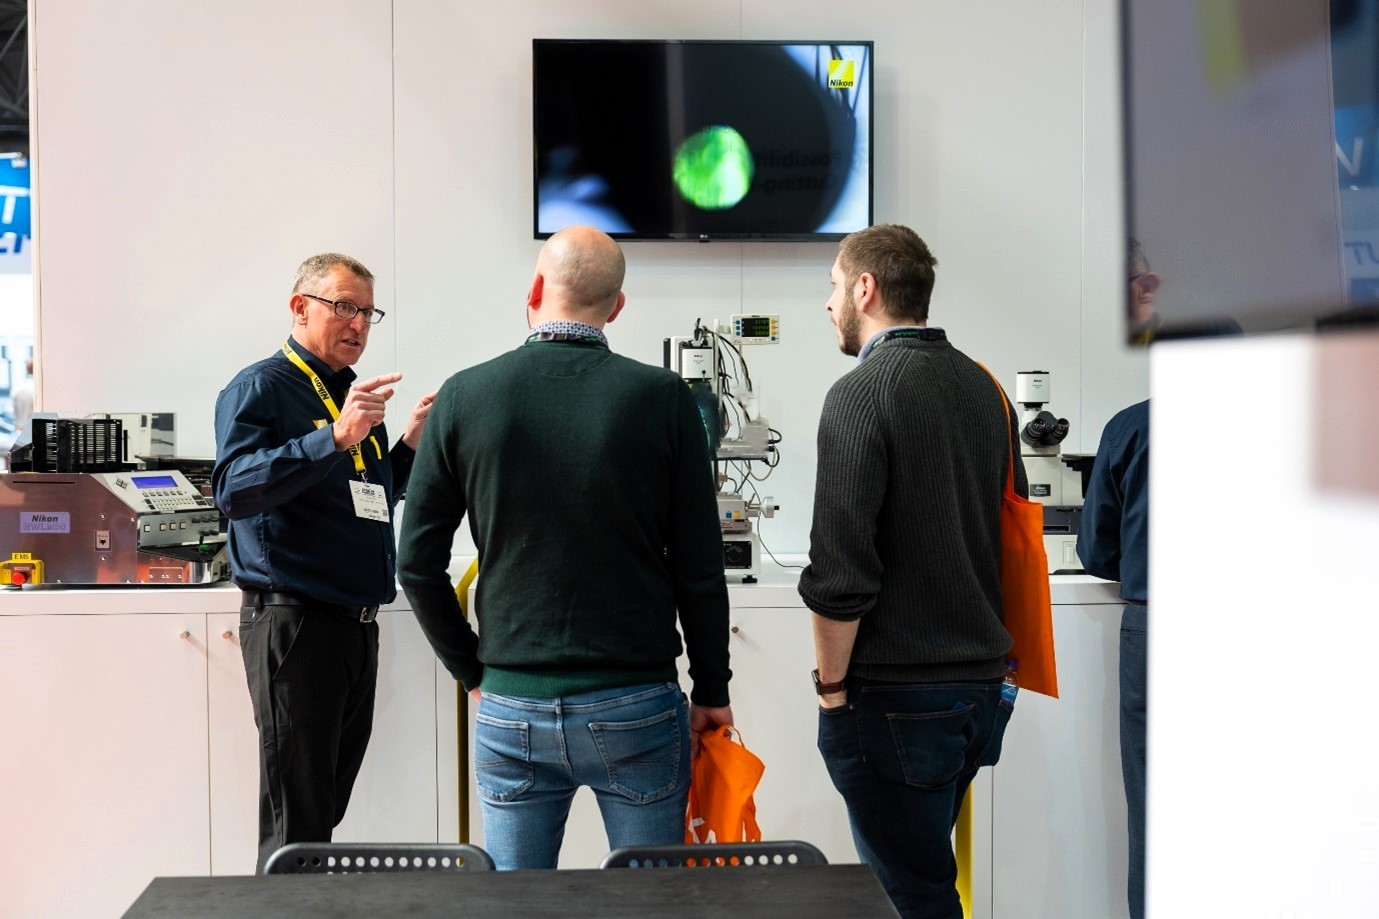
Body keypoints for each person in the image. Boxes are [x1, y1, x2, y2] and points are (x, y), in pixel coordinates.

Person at [397, 225, 733, 870]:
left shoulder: (464, 394)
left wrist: (473, 672)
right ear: (617, 306)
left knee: (518, 906)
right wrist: (711, 686)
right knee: (650, 904)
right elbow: (699, 565)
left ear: (534, 289)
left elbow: (415, 564)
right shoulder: (663, 397)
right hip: (637, 702)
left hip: (511, 705)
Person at [799, 223, 1027, 919]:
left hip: (895, 696)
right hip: (980, 690)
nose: (828, 303)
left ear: (865, 288)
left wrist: (831, 692)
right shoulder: (986, 389)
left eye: (834, 286)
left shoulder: (860, 394)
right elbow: (1008, 533)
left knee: (907, 896)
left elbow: (840, 573)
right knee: (925, 877)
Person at [212, 253, 434, 873]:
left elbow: (371, 495)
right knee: (297, 821)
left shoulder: (350, 395)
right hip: (295, 623)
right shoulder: (260, 388)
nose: (358, 323)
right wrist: (333, 437)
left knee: (323, 807)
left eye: (367, 312)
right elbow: (233, 489)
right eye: (343, 306)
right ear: (300, 307)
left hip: (354, 626)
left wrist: (410, 443)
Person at [1078, 408, 1150, 919]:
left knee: (1152, 804)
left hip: (1156, 625)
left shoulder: (1132, 426)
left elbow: (1098, 552)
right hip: (1260, 630)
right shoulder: (1286, 418)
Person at [10, 357, 33, 448]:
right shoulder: (39, 390)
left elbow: (14, 413)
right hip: (35, 432)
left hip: (19, 432)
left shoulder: (17, 389)